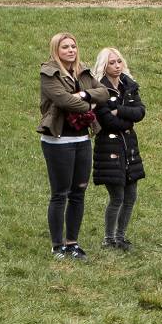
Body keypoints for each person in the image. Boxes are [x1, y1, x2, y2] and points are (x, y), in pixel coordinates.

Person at [37, 32, 110, 259]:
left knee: (79, 191)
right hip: (58, 140)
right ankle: (57, 245)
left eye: (73, 47)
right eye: (65, 47)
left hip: (82, 140)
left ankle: (72, 243)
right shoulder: (49, 72)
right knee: (60, 193)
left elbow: (104, 92)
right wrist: (88, 104)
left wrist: (84, 93)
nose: (71, 50)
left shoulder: (83, 71)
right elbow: (63, 100)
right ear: (56, 50)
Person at [90, 47, 146, 250]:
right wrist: (127, 118)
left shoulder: (129, 85)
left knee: (131, 196)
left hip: (129, 147)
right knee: (117, 196)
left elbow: (140, 112)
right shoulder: (99, 89)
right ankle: (108, 238)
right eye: (112, 62)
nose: (116, 65)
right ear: (104, 66)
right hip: (109, 148)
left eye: (119, 61)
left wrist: (120, 110)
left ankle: (121, 237)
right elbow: (107, 121)